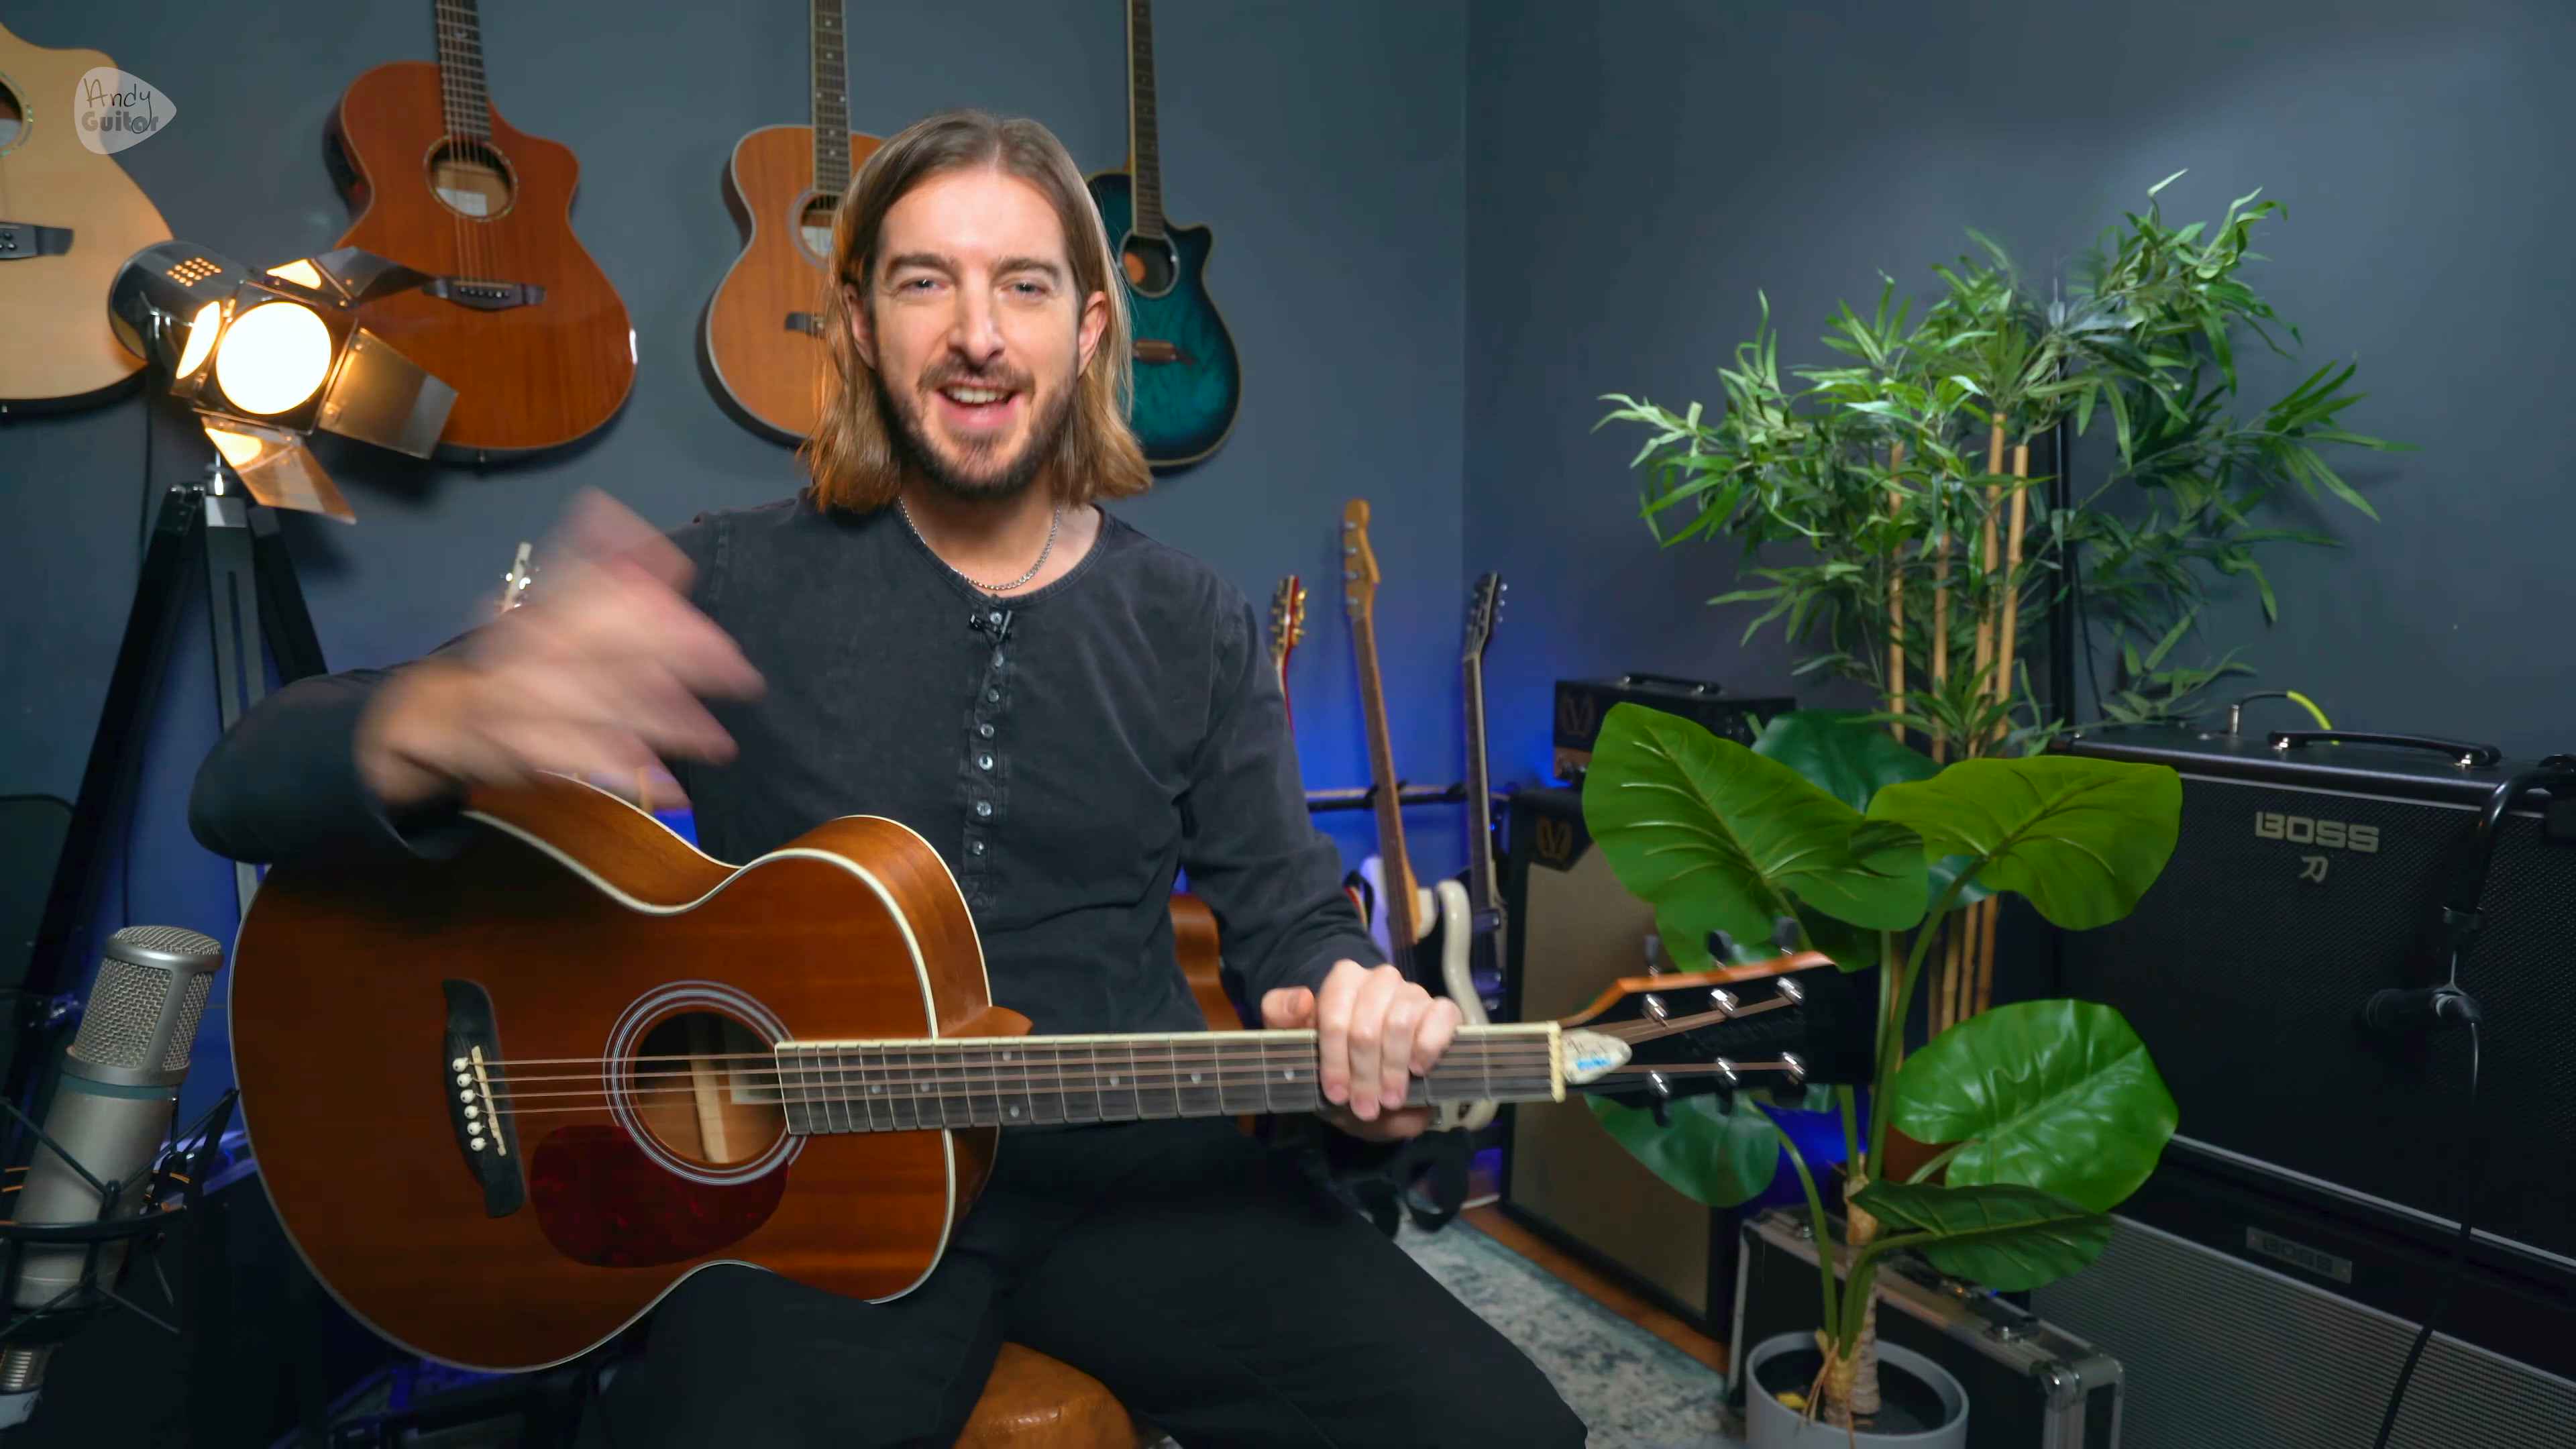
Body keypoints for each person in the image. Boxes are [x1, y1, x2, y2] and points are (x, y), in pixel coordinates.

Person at [191, 109, 1587, 1449]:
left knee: (1504, 1430)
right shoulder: (725, 578)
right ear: (859, 323)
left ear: (1090, 328)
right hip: (806, 1198)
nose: (978, 333)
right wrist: (440, 719)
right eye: (926, 282)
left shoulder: (1197, 622)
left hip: (1131, 1175)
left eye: (1025, 284)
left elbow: (1292, 921)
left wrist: (1354, 1000)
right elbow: (238, 787)